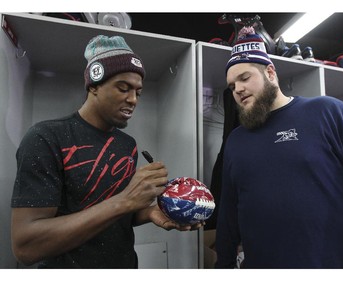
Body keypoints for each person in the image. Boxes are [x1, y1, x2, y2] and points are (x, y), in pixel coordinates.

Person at [11, 34, 202, 269]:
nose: (133, 99)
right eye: (123, 88)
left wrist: (151, 212)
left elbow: (116, 216)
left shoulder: (127, 145)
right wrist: (126, 200)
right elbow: (26, 246)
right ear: (93, 85)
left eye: (138, 92)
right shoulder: (46, 138)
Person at [214, 26, 343, 269]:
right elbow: (228, 218)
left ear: (270, 72)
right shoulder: (236, 141)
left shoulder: (328, 113)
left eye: (244, 78)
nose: (237, 89)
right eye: (232, 85)